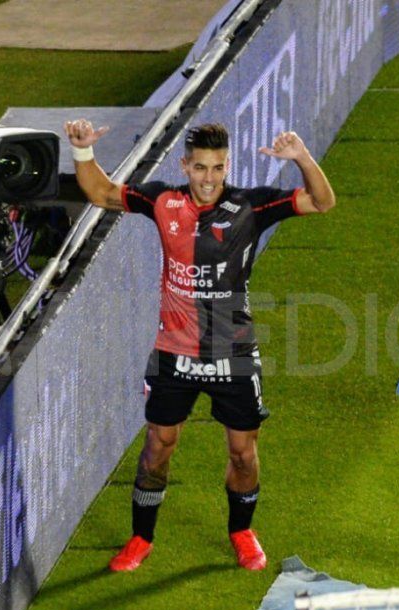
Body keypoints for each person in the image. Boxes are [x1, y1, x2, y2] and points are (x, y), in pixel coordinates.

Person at [64, 119, 336, 571]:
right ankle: (140, 538)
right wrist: (81, 152)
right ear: (184, 165)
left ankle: (242, 531)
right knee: (158, 446)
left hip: (234, 354)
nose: (210, 178)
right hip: (173, 354)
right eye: (201, 168)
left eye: (218, 167)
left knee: (243, 452)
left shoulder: (252, 205)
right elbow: (102, 193)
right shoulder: (162, 200)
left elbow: (323, 202)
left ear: (228, 165)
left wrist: (302, 158)